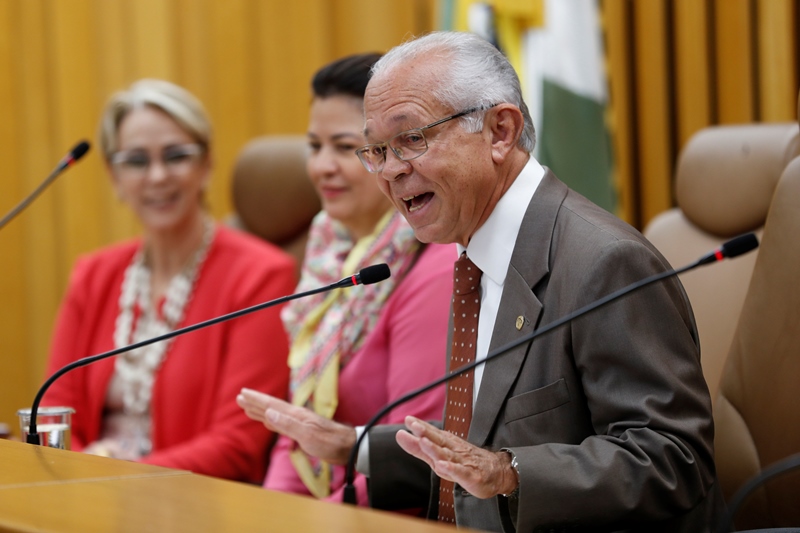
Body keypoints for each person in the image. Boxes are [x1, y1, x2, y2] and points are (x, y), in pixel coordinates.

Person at [237, 32, 726, 532]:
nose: (390, 171)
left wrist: (509, 473)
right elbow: (482, 449)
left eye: (412, 139)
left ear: (500, 131)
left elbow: (674, 458)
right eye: (377, 149)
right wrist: (354, 446)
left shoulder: (603, 261)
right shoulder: (472, 250)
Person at [43, 79, 295, 484]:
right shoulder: (92, 275)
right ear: (114, 175)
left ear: (206, 165)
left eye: (176, 156)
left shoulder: (261, 276)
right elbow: (54, 412)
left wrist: (111, 477)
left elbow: (237, 444)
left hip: (195, 499)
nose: (158, 176)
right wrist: (81, 477)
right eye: (136, 161)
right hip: (85, 491)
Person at [237, 53, 455, 506]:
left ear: (391, 154)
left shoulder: (435, 266)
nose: (322, 167)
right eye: (314, 147)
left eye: (343, 147)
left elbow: (413, 459)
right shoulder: (327, 251)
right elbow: (297, 429)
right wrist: (271, 513)